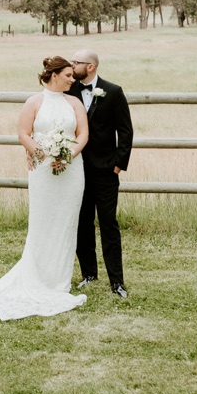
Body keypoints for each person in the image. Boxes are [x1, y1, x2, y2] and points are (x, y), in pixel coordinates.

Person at [0, 56, 90, 320]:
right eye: (68, 75)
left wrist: (67, 155)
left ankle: (59, 281)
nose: (72, 79)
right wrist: (42, 152)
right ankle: (37, 276)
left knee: (67, 222)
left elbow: (83, 134)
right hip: (43, 171)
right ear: (54, 75)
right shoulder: (34, 102)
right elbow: (23, 133)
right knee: (42, 221)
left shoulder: (74, 102)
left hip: (71, 170)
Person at [68, 48, 133, 299]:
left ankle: (117, 282)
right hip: (76, 171)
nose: (72, 65)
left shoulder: (113, 91)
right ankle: (89, 274)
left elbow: (125, 131)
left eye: (77, 62)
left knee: (108, 225)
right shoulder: (68, 90)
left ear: (91, 67)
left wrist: (118, 164)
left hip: (106, 171)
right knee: (82, 223)